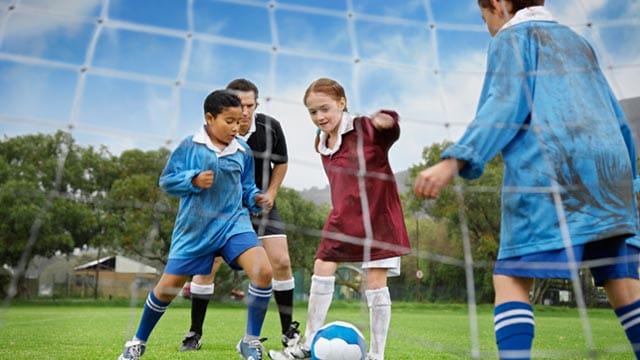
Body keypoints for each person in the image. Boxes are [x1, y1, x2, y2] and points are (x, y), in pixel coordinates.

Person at [413, 1, 640, 359]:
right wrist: (634, 182)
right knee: (623, 283)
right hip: (612, 176)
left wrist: (453, 161)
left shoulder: (512, 38)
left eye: (484, 16)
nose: (487, 25)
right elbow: (616, 114)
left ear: (500, 5)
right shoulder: (578, 42)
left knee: (510, 278)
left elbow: (504, 105)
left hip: (553, 171)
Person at [117, 90, 273, 360]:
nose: (236, 127)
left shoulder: (243, 150)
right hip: (196, 228)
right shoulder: (190, 146)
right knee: (168, 287)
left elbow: (246, 186)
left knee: (263, 271)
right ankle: (137, 342)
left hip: (233, 224)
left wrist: (255, 198)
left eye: (239, 121)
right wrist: (193, 180)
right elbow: (167, 181)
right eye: (229, 121)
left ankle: (250, 341)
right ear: (209, 118)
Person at [269, 77, 412, 360]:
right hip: (343, 220)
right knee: (322, 266)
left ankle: (376, 355)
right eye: (313, 112)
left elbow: (391, 128)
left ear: (342, 104)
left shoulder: (364, 128)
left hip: (379, 218)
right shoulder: (322, 145)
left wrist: (388, 120)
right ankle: (308, 345)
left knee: (375, 284)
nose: (319, 117)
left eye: (325, 109)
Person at [179, 78, 300, 352]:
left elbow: (281, 163)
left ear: (257, 104)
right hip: (223, 209)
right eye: (239, 105)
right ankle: (194, 333)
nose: (244, 112)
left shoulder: (271, 128)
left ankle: (288, 333)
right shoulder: (211, 132)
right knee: (207, 267)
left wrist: (271, 193)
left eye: (250, 105)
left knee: (281, 260)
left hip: (261, 204)